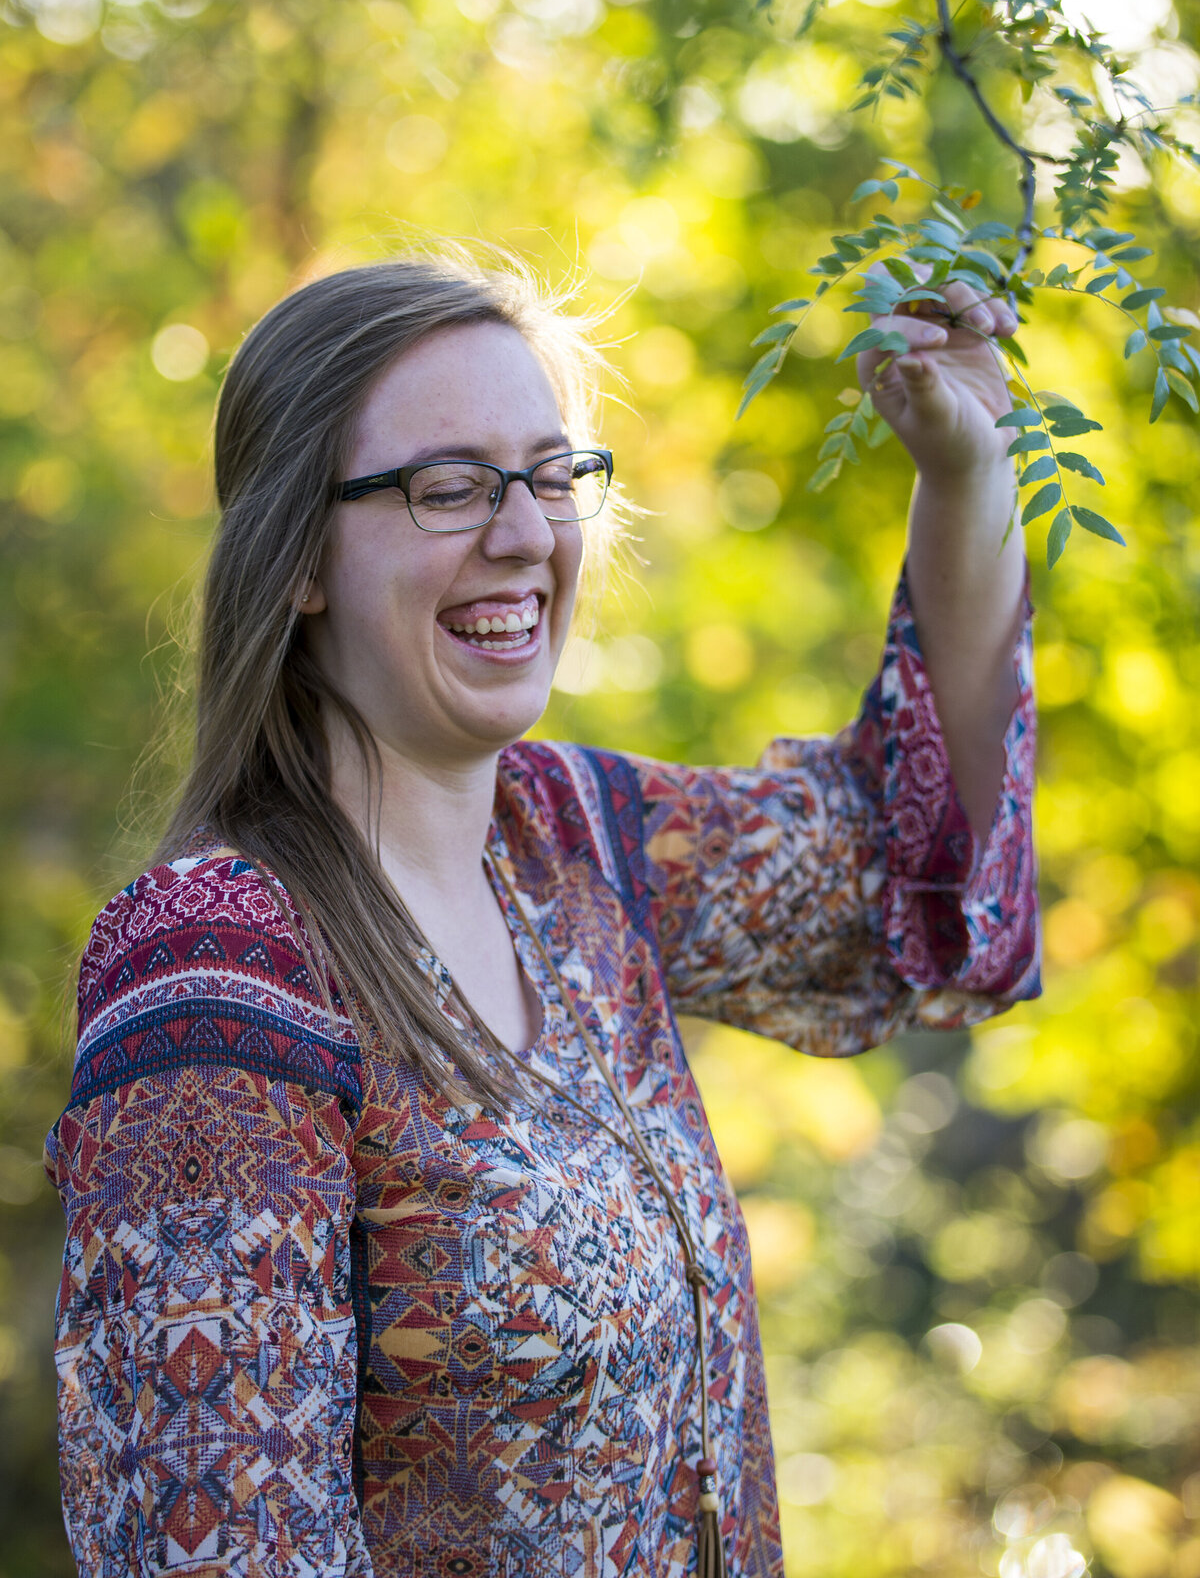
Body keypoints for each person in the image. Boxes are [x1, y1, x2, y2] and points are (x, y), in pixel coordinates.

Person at [46, 252, 1038, 1578]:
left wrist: (966, 475)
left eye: (552, 474)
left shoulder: (575, 845)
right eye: (449, 488)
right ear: (300, 561)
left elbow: (916, 868)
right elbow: (224, 1547)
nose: (523, 534)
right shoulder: (217, 965)